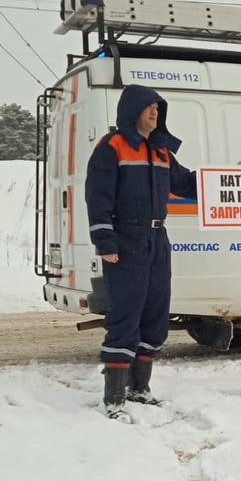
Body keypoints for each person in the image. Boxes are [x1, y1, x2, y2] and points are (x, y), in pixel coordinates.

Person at [85, 85, 196, 420]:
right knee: (125, 316)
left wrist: (222, 181)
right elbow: (98, 196)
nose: (155, 114)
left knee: (155, 313)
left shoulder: (161, 151)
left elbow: (186, 183)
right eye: (150, 108)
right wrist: (106, 242)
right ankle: (114, 396)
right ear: (133, 109)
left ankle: (140, 388)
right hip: (126, 239)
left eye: (158, 109)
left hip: (157, 239)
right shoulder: (112, 147)